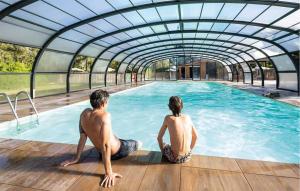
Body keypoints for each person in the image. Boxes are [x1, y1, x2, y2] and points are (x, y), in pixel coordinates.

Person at [60, 90, 141, 188]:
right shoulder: (105, 116)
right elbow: (106, 145)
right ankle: (137, 144)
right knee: (138, 143)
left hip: (102, 152)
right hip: (118, 151)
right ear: (103, 103)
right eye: (107, 103)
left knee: (114, 137)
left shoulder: (84, 114)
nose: (107, 105)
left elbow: (83, 136)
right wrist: (108, 172)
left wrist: (76, 158)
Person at [157, 96, 198, 163]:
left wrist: (163, 152)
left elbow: (159, 137)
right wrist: (189, 150)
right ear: (182, 106)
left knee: (164, 145)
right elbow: (196, 137)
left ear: (169, 107)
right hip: (188, 156)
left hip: (175, 158)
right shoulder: (188, 117)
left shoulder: (168, 118)